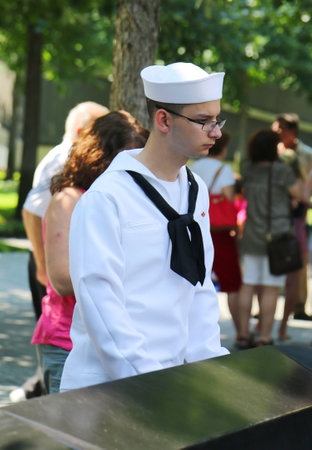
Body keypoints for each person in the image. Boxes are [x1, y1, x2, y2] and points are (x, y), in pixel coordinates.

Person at [60, 62, 229, 392]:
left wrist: (212, 369)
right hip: (105, 387)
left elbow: (200, 288)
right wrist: (148, 381)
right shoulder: (108, 197)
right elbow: (100, 301)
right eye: (202, 121)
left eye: (217, 120)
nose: (217, 132)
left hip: (169, 386)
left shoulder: (197, 190)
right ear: (163, 120)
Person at [30, 111, 149, 394]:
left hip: (117, 344)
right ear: (98, 158)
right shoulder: (68, 201)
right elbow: (60, 279)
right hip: (67, 344)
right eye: (123, 159)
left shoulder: (127, 199)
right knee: (72, 438)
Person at [10, 101, 109, 403]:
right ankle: (39, 392)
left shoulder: (67, 156)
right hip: (49, 257)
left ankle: (34, 389)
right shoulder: (64, 159)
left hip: (50, 255)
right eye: (96, 131)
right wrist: (43, 266)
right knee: (59, 330)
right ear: (81, 131)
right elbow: (31, 211)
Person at [237, 129, 301, 348]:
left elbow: (244, 193)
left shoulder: (249, 169)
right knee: (271, 288)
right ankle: (265, 336)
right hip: (278, 236)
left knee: (248, 285)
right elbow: (298, 194)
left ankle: (243, 334)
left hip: (253, 233)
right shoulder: (282, 170)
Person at [190, 131, 242, 338]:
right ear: (224, 149)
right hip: (220, 232)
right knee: (232, 283)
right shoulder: (224, 169)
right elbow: (229, 198)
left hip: (197, 229)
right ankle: (241, 331)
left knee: (196, 281)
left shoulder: (193, 167)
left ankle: (195, 332)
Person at [272, 113, 312, 324]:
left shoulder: (308, 155)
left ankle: (299, 306)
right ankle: (268, 307)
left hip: (297, 215)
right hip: (275, 214)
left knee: (300, 263)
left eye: (280, 130)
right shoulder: (271, 152)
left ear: (292, 131)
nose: (277, 134)